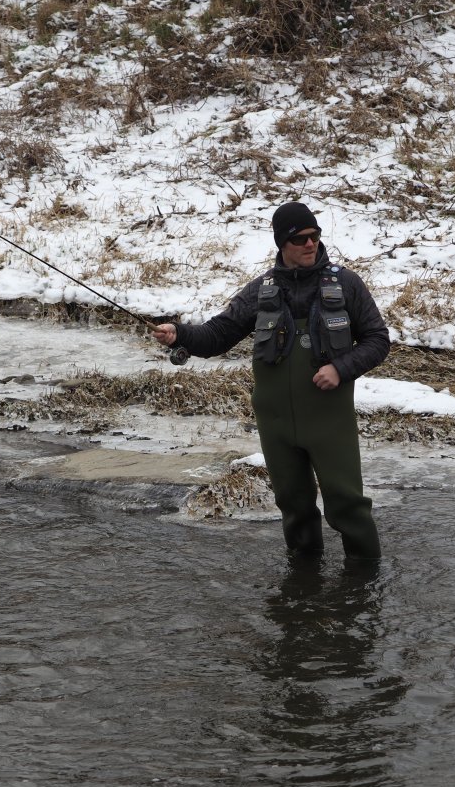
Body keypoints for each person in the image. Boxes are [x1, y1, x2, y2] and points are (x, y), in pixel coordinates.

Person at [152, 201, 390, 561]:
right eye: (300, 239)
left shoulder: (346, 284)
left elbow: (378, 339)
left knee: (347, 505)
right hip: (275, 421)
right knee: (293, 507)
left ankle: (365, 587)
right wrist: (180, 333)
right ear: (282, 244)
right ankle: (303, 588)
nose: (310, 245)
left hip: (329, 419)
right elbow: (218, 334)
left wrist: (341, 369)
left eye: (314, 236)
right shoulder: (260, 290)